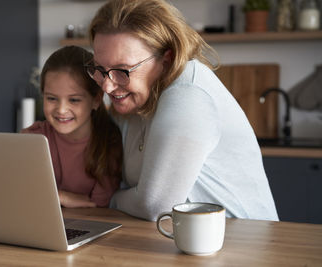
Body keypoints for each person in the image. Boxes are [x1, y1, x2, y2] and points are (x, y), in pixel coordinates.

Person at [85, 0, 279, 221]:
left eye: (122, 70)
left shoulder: (188, 93)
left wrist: (109, 199)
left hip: (244, 243)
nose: (107, 85)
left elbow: (155, 205)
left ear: (166, 59)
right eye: (100, 68)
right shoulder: (134, 102)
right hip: (180, 241)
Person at [22, 46, 123, 208]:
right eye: (52, 98)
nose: (61, 110)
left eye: (74, 100)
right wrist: (61, 197)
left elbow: (99, 204)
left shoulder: (108, 142)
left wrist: (54, 196)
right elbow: (22, 193)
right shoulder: (32, 138)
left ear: (96, 100)